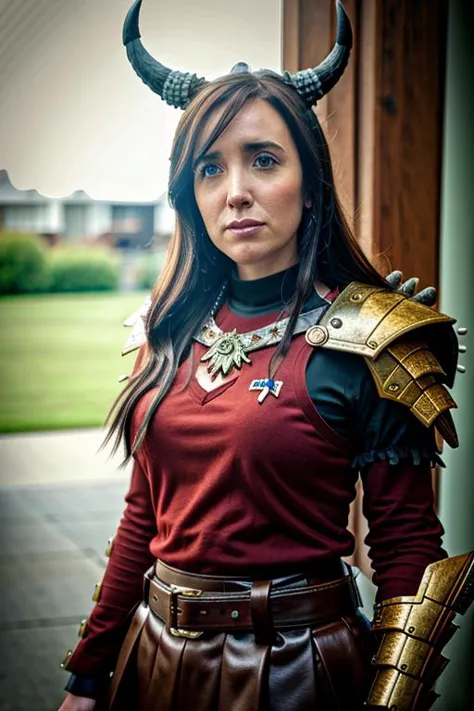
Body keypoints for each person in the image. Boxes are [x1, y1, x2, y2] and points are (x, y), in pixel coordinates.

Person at [58, 1, 473, 710]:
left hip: (302, 672)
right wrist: (87, 676)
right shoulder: (162, 332)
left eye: (264, 160)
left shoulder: (374, 340)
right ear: (189, 194)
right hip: (152, 661)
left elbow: (407, 550)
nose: (236, 192)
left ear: (310, 184)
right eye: (210, 169)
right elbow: (141, 518)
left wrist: (390, 700)